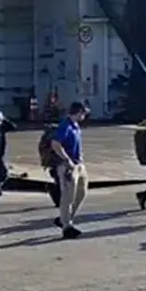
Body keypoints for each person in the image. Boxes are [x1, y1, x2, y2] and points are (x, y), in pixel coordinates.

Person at [50, 101, 89, 239]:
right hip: (67, 166)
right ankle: (67, 227)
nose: (85, 116)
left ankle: (64, 219)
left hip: (79, 164)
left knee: (82, 192)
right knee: (68, 196)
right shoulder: (65, 125)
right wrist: (67, 160)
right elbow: (55, 144)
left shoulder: (76, 126)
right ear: (79, 112)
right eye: (84, 113)